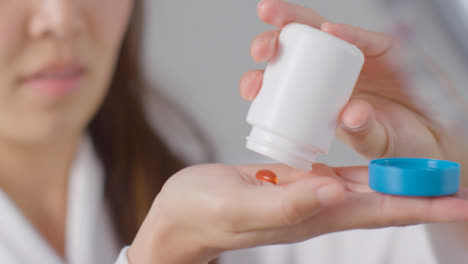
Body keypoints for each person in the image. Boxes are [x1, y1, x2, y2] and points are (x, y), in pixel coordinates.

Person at [0, 0, 467, 264]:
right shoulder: (191, 220)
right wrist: (164, 254)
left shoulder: (235, 210)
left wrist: (456, 149)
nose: (60, 18)